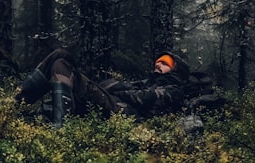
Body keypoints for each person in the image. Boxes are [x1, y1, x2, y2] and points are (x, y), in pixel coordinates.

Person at [17, 48, 191, 126]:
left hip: (124, 114)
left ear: (177, 69)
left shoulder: (174, 90)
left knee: (62, 64)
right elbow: (131, 92)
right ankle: (13, 104)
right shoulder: (148, 83)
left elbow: (143, 98)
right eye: (157, 61)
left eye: (165, 62)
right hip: (114, 105)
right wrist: (118, 88)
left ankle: (62, 126)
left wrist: (116, 88)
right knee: (60, 55)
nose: (158, 64)